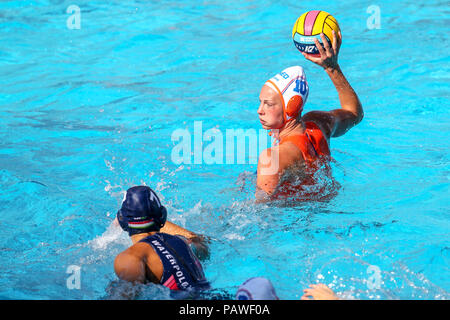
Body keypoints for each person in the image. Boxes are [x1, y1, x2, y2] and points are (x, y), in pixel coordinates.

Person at [256, 30, 363, 201]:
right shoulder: (319, 124)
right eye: (260, 102)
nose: (259, 110)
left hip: (294, 222)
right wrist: (332, 67)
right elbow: (354, 113)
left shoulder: (272, 157)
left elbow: (258, 216)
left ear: (292, 105)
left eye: (268, 104)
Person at [113, 185, 210, 295]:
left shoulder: (132, 257)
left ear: (122, 221)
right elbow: (198, 241)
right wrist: (150, 217)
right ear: (162, 216)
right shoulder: (183, 241)